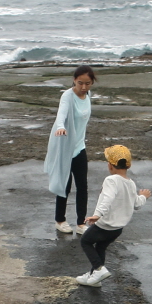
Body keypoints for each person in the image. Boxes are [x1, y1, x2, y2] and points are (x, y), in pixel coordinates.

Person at [75, 145, 152, 287]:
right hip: (117, 229)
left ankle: (99, 270)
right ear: (128, 165)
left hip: (104, 225)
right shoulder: (131, 183)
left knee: (85, 241)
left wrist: (97, 215)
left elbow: (108, 199)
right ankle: (94, 277)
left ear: (110, 165)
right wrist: (143, 196)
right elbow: (137, 204)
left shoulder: (111, 180)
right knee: (100, 248)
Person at [43, 65, 95, 233]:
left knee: (82, 186)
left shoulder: (88, 95)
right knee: (64, 184)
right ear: (74, 80)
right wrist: (60, 127)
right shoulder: (67, 96)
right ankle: (60, 220)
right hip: (65, 146)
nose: (84, 87)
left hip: (79, 146)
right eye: (80, 83)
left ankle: (81, 223)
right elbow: (62, 113)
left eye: (87, 83)